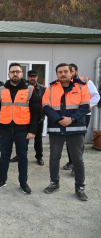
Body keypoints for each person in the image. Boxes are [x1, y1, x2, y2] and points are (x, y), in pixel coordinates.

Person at [42, 63, 90, 201]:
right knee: (54, 157)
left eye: (65, 71)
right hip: (57, 128)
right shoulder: (50, 88)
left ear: (71, 73)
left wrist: (72, 119)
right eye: (60, 72)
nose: (63, 74)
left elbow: (85, 106)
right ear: (56, 74)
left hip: (76, 128)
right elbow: (46, 106)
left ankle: (80, 187)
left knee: (77, 159)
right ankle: (54, 183)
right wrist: (59, 119)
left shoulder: (81, 87)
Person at [0, 63, 40, 194]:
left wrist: (32, 131)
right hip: (5, 129)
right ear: (8, 74)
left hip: (22, 130)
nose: (15, 74)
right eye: (12, 72)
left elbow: (36, 112)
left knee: (23, 156)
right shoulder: (1, 90)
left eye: (18, 72)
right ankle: (2, 179)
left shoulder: (30, 90)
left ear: (21, 74)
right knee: (5, 156)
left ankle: (23, 182)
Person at [62, 63, 100, 173]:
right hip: (69, 116)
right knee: (69, 139)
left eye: (71, 71)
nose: (69, 74)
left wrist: (85, 107)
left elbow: (96, 96)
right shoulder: (65, 83)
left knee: (78, 141)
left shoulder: (86, 82)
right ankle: (71, 162)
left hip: (83, 116)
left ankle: (76, 166)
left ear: (76, 72)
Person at [10, 70, 46, 165]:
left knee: (38, 139)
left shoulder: (43, 89)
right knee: (20, 139)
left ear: (37, 77)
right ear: (27, 77)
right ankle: (19, 155)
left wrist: (43, 115)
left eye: (34, 76)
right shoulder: (22, 88)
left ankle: (39, 157)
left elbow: (46, 104)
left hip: (38, 119)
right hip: (23, 119)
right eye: (30, 76)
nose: (32, 78)